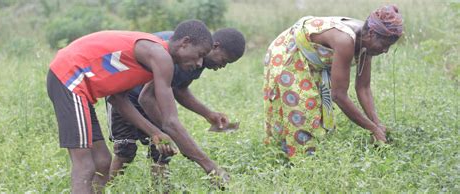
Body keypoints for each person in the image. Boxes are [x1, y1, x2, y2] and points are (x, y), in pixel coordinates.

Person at [46, 19, 225, 193]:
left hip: (80, 87)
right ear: (185, 43)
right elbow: (171, 122)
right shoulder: (160, 57)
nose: (200, 63)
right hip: (70, 78)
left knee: (102, 162)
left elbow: (118, 99)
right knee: (85, 167)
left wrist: (155, 133)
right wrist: (210, 166)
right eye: (200, 54)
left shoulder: (153, 58)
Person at [263, 5, 403, 157]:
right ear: (371, 33)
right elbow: (338, 95)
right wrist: (372, 129)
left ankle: (308, 156)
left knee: (318, 112)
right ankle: (295, 160)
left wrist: (377, 123)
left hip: (314, 61)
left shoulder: (366, 43)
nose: (385, 50)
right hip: (288, 52)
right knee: (303, 110)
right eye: (384, 44)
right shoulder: (345, 41)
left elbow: (363, 87)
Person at [107, 28, 245, 181]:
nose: (222, 67)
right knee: (125, 150)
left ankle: (161, 189)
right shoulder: (184, 54)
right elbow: (146, 98)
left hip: (153, 97)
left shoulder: (198, 61)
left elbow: (180, 88)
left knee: (162, 152)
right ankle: (104, 188)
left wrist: (208, 114)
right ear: (215, 46)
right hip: (125, 94)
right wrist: (171, 132)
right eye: (224, 60)